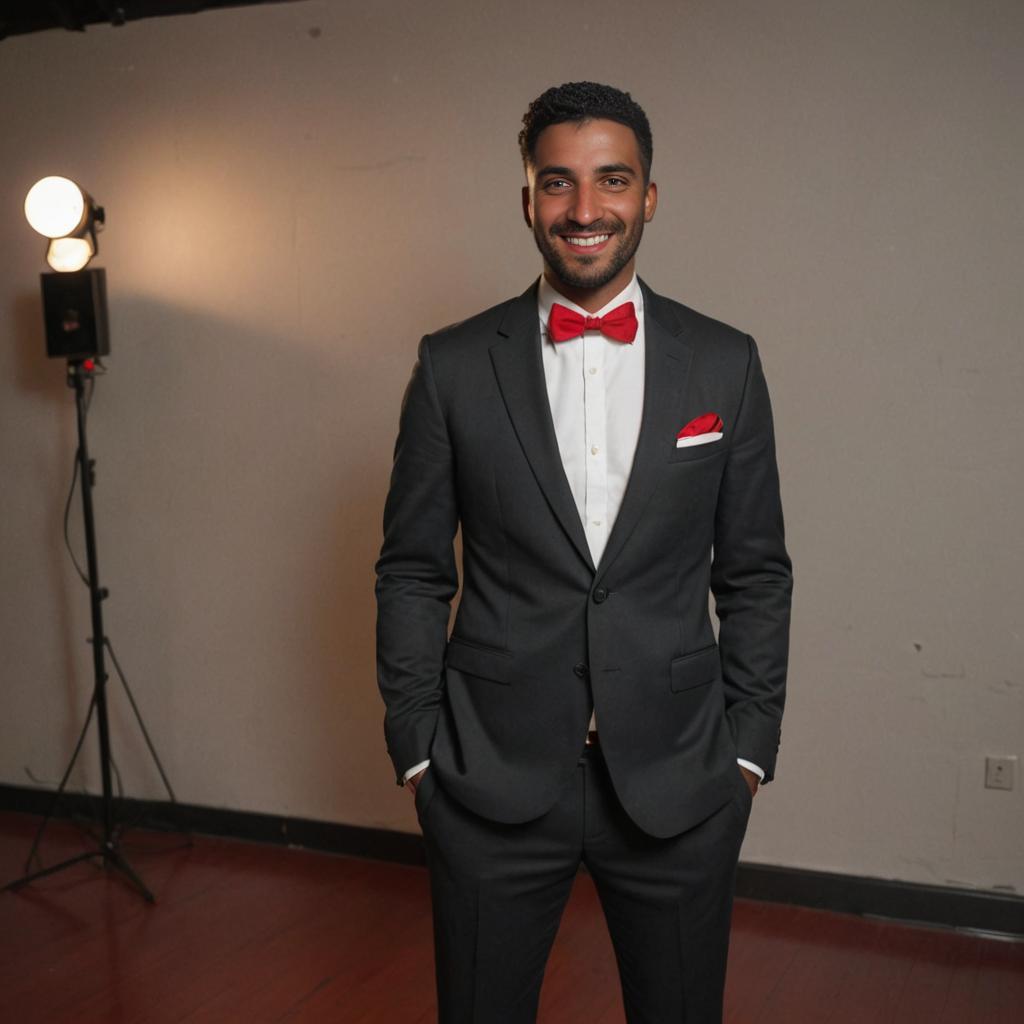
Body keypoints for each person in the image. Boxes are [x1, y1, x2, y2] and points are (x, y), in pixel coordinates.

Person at [375, 81, 792, 1024]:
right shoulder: (451, 365)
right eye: (557, 184)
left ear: (650, 195)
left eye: (612, 180)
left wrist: (749, 754)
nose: (585, 209)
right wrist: (417, 751)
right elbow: (411, 567)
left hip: (684, 780)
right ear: (528, 200)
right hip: (489, 777)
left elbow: (757, 572)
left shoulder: (725, 362)